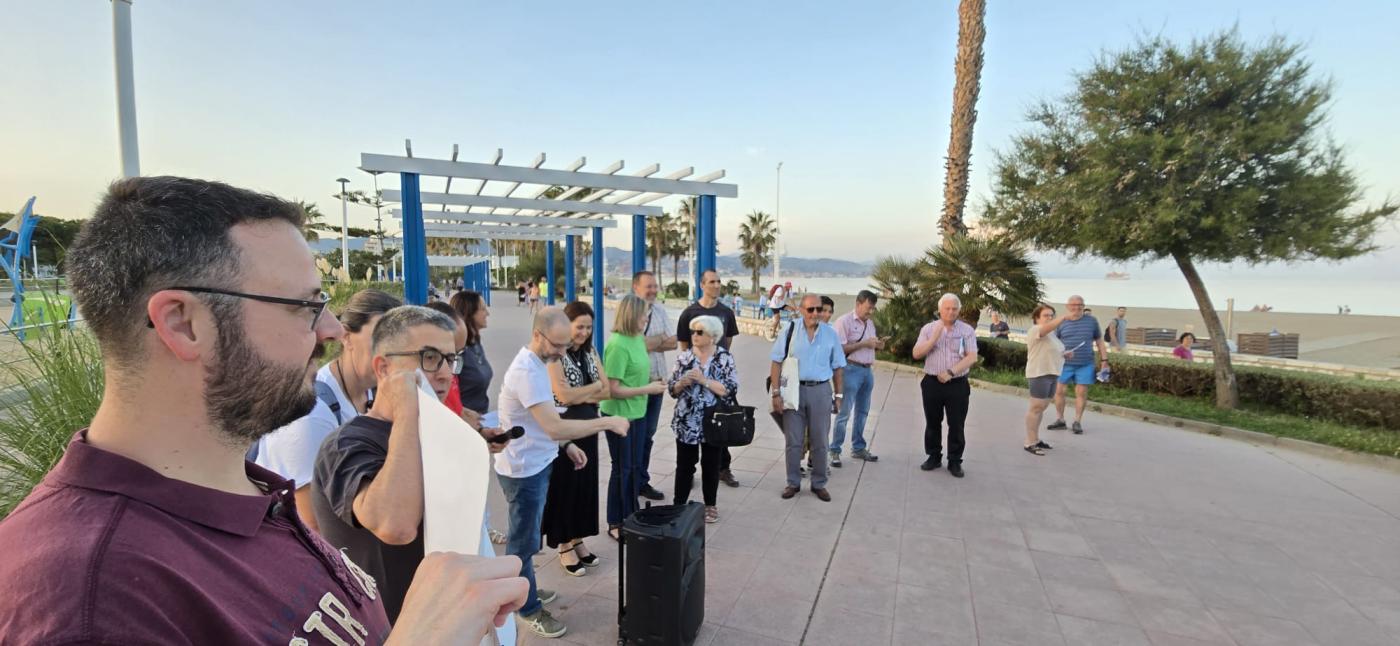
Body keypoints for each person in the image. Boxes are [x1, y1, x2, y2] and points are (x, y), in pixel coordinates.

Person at [0, 176, 525, 643]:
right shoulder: (88, 595)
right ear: (183, 323)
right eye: (305, 306)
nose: (330, 332)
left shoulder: (239, 493)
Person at [311, 306, 513, 625]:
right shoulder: (346, 444)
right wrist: (405, 409)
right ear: (384, 368)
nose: (446, 373)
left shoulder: (431, 432)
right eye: (430, 358)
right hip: (387, 629)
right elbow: (395, 525)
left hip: (445, 620)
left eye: (450, 359)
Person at [496, 306, 632, 638]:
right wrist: (608, 422)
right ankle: (526, 608)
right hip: (523, 470)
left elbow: (543, 419)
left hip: (538, 461)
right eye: (557, 345)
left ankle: (525, 589)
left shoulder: (540, 362)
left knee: (527, 541)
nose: (562, 351)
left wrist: (567, 445)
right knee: (523, 543)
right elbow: (553, 424)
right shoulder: (527, 371)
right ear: (538, 335)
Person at [254, 288, 401, 531]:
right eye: (379, 338)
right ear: (346, 337)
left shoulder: (371, 394)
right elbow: (314, 526)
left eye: (397, 342)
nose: (388, 352)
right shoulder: (310, 416)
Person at [542, 302, 609, 576]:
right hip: (565, 427)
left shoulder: (590, 351)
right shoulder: (556, 355)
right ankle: (564, 544)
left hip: (589, 426)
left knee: (585, 485)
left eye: (588, 327)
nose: (583, 332)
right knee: (566, 484)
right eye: (579, 326)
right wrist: (592, 388)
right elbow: (564, 395)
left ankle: (578, 537)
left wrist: (584, 390)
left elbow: (607, 393)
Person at [601, 295, 669, 542]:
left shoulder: (637, 340)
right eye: (644, 315)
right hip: (619, 415)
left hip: (637, 412)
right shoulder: (618, 345)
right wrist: (647, 390)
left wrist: (651, 383)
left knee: (634, 467)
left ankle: (631, 515)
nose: (647, 319)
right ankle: (615, 521)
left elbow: (636, 375)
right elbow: (612, 389)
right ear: (631, 316)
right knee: (622, 469)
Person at [769, 294, 845, 501]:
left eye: (818, 309)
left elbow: (838, 366)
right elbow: (776, 362)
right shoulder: (790, 330)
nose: (815, 314)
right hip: (793, 391)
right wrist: (776, 393)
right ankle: (792, 482)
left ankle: (819, 483)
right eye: (810, 309)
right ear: (801, 310)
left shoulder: (830, 334)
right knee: (793, 441)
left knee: (820, 440)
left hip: (821, 391)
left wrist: (839, 395)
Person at [668, 315, 740, 523]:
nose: (694, 336)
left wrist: (703, 380)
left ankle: (710, 505)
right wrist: (681, 383)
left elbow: (730, 389)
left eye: (699, 332)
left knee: (711, 464)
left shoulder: (724, 358)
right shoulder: (684, 358)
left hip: (713, 421)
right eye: (693, 331)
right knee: (684, 465)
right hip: (686, 421)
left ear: (713, 336)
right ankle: (679, 505)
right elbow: (672, 389)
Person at [676, 270, 744, 487]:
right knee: (694, 429)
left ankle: (724, 468)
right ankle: (692, 472)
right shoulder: (689, 313)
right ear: (702, 284)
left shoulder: (726, 312)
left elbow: (728, 340)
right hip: (695, 384)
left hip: (719, 382)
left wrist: (718, 364)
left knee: (722, 425)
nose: (716, 285)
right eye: (712, 282)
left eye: (718, 281)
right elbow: (684, 345)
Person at [913, 293, 979, 478]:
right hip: (932, 383)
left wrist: (951, 372)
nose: (951, 312)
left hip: (956, 383)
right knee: (933, 422)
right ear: (940, 309)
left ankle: (955, 460)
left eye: (954, 309)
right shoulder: (928, 328)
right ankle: (933, 456)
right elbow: (916, 354)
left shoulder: (966, 330)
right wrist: (934, 338)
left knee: (956, 424)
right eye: (947, 308)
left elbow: (971, 356)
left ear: (959, 310)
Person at [633, 271, 678, 502]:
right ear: (635, 287)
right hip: (637, 385)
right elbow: (632, 345)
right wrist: (657, 340)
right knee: (635, 435)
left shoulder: (659, 310)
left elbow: (673, 342)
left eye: (654, 286)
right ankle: (632, 480)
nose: (652, 290)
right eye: (648, 286)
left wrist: (650, 342)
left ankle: (642, 481)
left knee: (649, 435)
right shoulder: (629, 312)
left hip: (658, 382)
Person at [830, 290, 883, 466]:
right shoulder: (843, 322)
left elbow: (869, 346)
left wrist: (878, 345)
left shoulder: (870, 324)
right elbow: (840, 349)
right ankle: (835, 450)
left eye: (873, 309)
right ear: (858, 304)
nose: (871, 312)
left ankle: (858, 448)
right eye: (868, 308)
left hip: (867, 371)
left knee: (863, 411)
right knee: (844, 412)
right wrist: (865, 344)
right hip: (850, 370)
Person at [1047, 295, 1110, 435]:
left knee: (1081, 392)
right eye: (1073, 304)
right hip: (1064, 363)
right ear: (1067, 306)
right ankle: (1060, 420)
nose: (1077, 307)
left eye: (1080, 304)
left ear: (1083, 305)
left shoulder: (1092, 321)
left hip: (1085, 363)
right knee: (1059, 391)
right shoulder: (1061, 322)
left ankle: (1077, 421)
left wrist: (1104, 360)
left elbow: (1099, 341)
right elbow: (1053, 343)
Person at [1023, 304, 1068, 456]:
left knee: (1041, 408)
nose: (1049, 318)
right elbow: (1044, 331)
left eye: (1051, 315)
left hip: (1052, 374)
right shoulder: (1036, 330)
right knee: (1036, 407)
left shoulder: (1052, 335)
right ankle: (1029, 442)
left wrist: (1065, 354)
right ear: (1037, 318)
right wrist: (1063, 317)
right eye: (1046, 315)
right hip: (1039, 373)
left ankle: (1035, 439)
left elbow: (1051, 351)